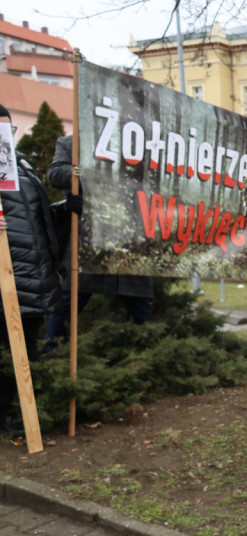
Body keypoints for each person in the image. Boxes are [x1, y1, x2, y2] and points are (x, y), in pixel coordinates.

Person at [43, 135, 155, 353]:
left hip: (130, 241)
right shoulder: (72, 141)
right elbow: (55, 174)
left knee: (140, 308)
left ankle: (143, 362)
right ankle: (50, 356)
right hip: (88, 241)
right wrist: (84, 172)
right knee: (65, 306)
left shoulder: (136, 142)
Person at [0, 104, 64, 435]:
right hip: (4, 281)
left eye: (7, 132)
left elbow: (37, 220)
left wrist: (65, 209)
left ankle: (19, 411)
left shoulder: (22, 165)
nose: (5, 139)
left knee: (26, 352)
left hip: (34, 277)